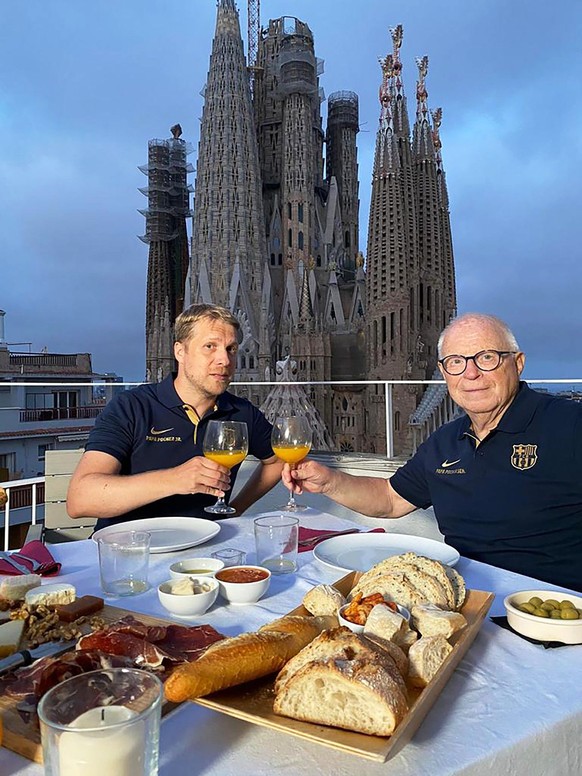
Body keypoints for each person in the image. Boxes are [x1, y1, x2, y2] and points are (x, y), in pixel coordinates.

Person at [283, 313, 582, 592]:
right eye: (456, 362)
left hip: (548, 607)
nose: (471, 373)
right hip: (462, 598)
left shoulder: (568, 423)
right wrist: (330, 482)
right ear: (443, 372)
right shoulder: (445, 441)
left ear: (517, 363)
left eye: (487, 357)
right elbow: (390, 500)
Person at [67, 304, 283, 529]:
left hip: (205, 549)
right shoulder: (131, 406)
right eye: (210, 346)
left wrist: (235, 510)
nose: (225, 360)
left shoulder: (241, 412)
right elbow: (80, 500)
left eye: (231, 349)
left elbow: (277, 458)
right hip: (129, 549)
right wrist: (175, 479)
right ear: (180, 351)